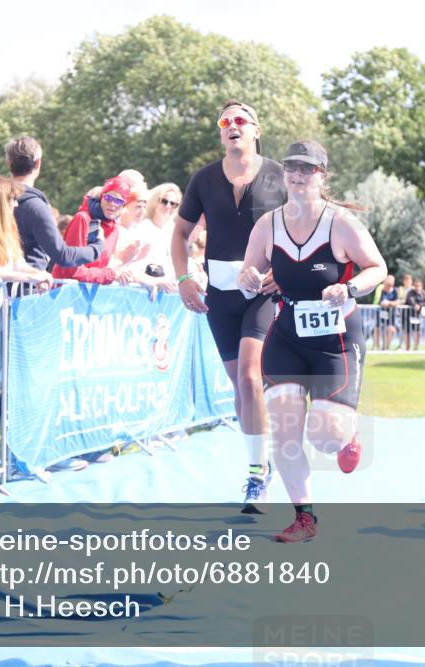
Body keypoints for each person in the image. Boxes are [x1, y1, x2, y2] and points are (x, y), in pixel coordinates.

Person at [239, 140, 387, 542]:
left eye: (308, 169)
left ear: (323, 175)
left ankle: (347, 435)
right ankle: (305, 518)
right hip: (287, 333)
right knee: (285, 433)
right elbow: (249, 271)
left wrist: (352, 287)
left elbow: (378, 267)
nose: (298, 175)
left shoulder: (340, 224)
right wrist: (249, 277)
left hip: (335, 340)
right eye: (292, 168)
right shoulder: (267, 225)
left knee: (325, 437)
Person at [171, 100, 286, 514]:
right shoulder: (203, 179)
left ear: (256, 129)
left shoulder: (278, 176)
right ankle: (263, 459)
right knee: (240, 386)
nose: (232, 125)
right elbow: (181, 232)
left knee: (251, 377)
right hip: (220, 296)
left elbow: (303, 227)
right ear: (221, 132)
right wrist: (184, 278)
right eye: (225, 121)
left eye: (241, 120)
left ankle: (256, 475)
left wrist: (286, 271)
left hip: (263, 292)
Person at [8, 135, 103, 272]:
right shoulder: (36, 206)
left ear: (8, 163)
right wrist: (97, 247)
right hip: (30, 286)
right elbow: (62, 255)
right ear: (38, 163)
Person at [53, 177, 135, 284]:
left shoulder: (114, 230)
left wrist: (120, 267)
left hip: (91, 295)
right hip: (66, 293)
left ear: (123, 205)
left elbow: (102, 268)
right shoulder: (82, 219)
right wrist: (111, 274)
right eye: (109, 198)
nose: (113, 204)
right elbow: (72, 271)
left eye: (119, 201)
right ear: (101, 197)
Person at [373, 274, 399, 350]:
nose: (391, 283)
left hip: (391, 314)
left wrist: (389, 303)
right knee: (377, 329)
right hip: (381, 313)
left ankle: (387, 346)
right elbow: (380, 302)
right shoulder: (381, 290)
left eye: (392, 281)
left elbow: (397, 302)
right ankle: (378, 347)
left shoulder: (395, 291)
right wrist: (386, 303)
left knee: (391, 330)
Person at [404, 277, 425, 350]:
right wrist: (414, 305)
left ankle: (416, 347)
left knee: (418, 332)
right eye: (416, 286)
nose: (418, 288)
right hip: (408, 315)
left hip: (417, 315)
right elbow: (410, 300)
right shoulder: (410, 292)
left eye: (419, 286)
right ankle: (407, 347)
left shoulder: (423, 293)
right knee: (408, 332)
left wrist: (420, 305)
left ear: (421, 286)